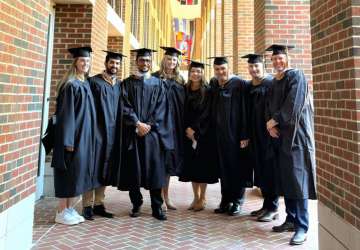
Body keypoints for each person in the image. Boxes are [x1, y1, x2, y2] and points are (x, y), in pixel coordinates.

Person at [265, 44, 316, 245]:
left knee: (298, 181)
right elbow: (268, 108)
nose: (278, 62)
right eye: (274, 59)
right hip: (280, 136)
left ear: (288, 59)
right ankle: (291, 219)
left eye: (281, 58)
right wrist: (270, 125)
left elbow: (293, 105)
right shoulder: (273, 83)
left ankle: (302, 227)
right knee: (286, 180)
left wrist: (274, 120)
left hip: (296, 137)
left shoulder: (296, 77)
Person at [118, 48, 173, 220]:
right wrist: (137, 123)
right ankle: (136, 203)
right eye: (142, 60)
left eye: (148, 61)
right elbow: (124, 105)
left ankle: (157, 205)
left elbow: (161, 107)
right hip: (133, 133)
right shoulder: (126, 83)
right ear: (136, 62)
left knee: (155, 170)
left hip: (152, 134)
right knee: (134, 168)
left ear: (151, 63)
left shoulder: (158, 83)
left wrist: (147, 125)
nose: (145, 63)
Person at [51, 46, 96, 225]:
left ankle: (69, 208)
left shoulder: (84, 83)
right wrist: (68, 140)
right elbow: (66, 115)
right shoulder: (70, 85)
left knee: (74, 174)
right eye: (82, 61)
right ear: (75, 63)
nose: (85, 63)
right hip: (72, 137)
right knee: (67, 172)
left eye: (87, 61)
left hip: (82, 137)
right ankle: (61, 211)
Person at [81, 50, 125, 220]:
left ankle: (99, 204)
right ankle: (86, 206)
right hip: (96, 133)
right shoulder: (93, 82)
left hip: (112, 134)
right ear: (106, 63)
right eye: (112, 62)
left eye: (117, 63)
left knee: (105, 168)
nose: (115, 66)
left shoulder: (119, 85)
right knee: (92, 167)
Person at [208, 56, 252, 216]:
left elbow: (244, 110)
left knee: (237, 167)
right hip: (219, 135)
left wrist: (245, 134)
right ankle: (225, 200)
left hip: (235, 134)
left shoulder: (239, 84)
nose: (220, 72)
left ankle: (237, 202)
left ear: (228, 68)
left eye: (223, 69)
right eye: (217, 69)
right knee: (223, 168)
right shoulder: (214, 82)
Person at [241, 54, 280, 222]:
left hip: (267, 135)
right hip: (255, 135)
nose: (253, 69)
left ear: (263, 66)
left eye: (256, 66)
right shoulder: (249, 85)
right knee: (261, 171)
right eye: (251, 67)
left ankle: (273, 207)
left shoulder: (270, 83)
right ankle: (266, 204)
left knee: (270, 170)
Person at [178, 60, 218, 211]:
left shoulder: (207, 90)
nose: (196, 74)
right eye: (193, 71)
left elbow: (207, 112)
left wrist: (194, 128)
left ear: (202, 74)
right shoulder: (185, 89)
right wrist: (187, 129)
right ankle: (195, 197)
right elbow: (182, 111)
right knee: (192, 166)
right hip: (188, 134)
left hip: (203, 134)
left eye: (198, 71)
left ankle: (203, 197)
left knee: (202, 166)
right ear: (189, 74)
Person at [152, 47, 185, 211]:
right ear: (163, 60)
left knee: (169, 163)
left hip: (175, 127)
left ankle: (166, 197)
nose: (171, 62)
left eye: (174, 60)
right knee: (160, 162)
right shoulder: (154, 78)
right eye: (169, 59)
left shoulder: (180, 80)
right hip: (159, 127)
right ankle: (158, 199)